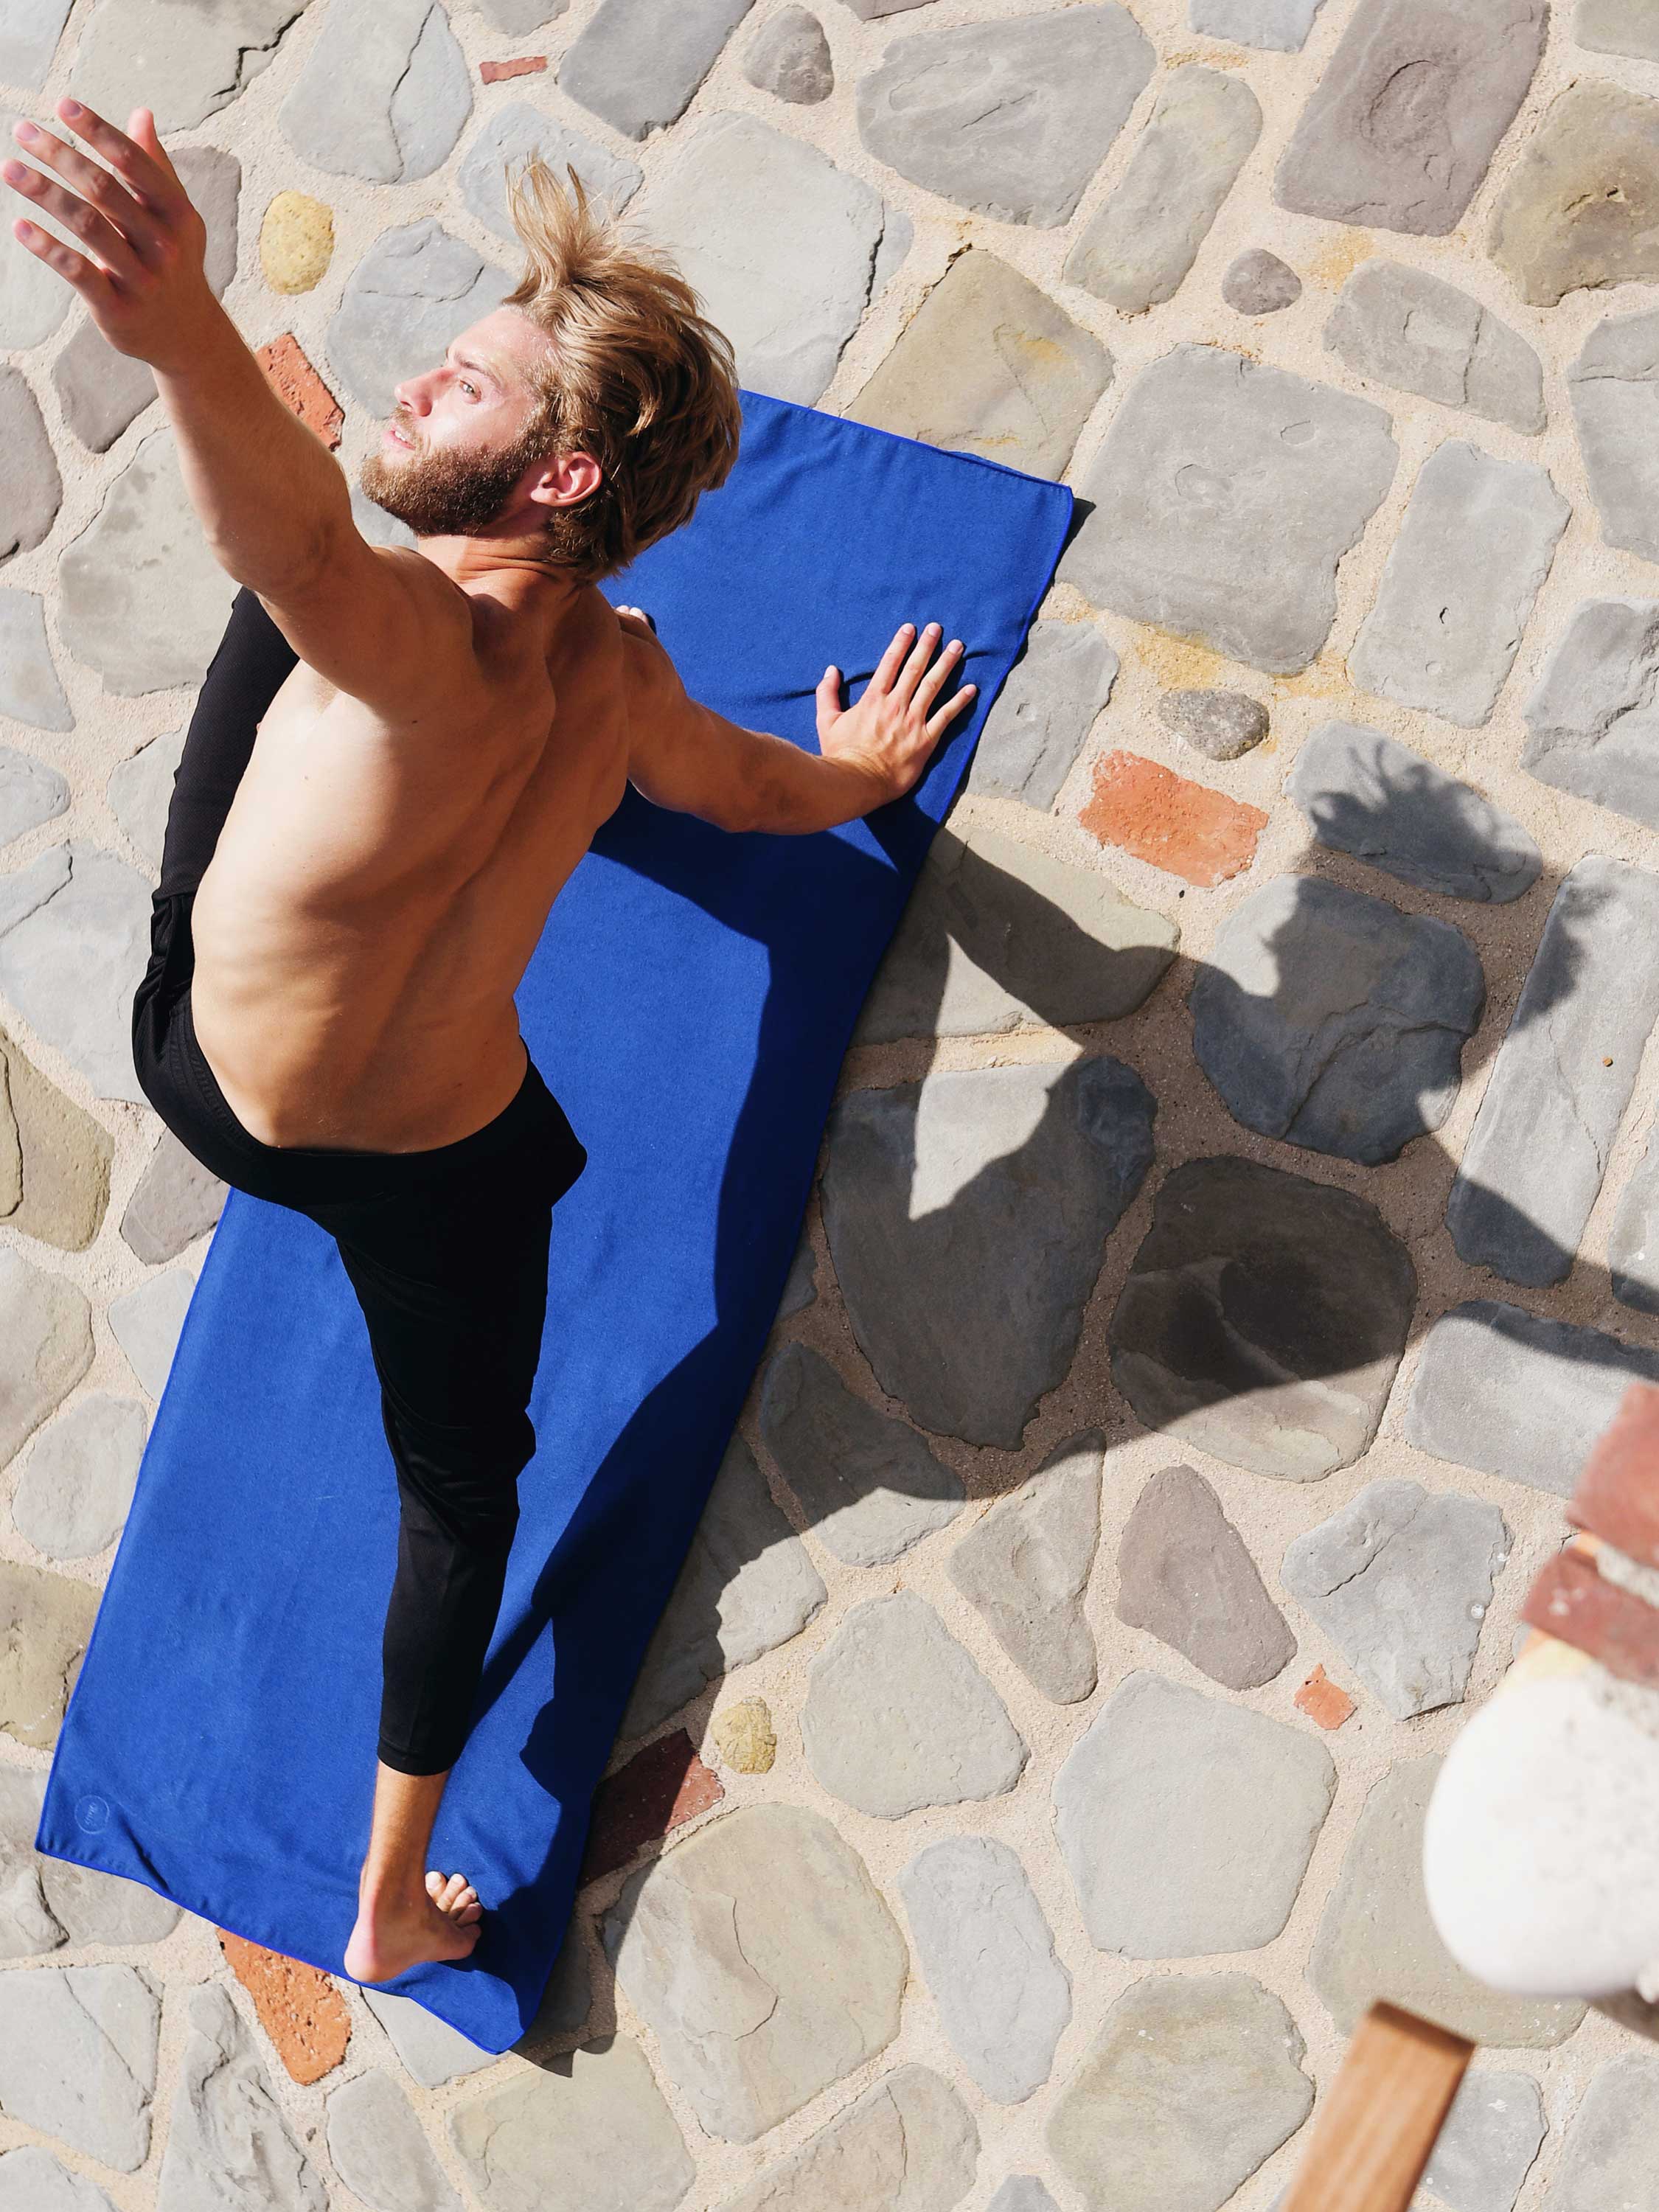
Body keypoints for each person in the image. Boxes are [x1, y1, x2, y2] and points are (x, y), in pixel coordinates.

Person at [3, 97, 977, 1979]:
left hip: (220, 1081)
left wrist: (190, 332)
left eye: (459, 390)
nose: (415, 388)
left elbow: (294, 528)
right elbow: (760, 797)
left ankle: (381, 1894)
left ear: (550, 480)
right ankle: (389, 1907)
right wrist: (860, 771)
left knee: (292, 600)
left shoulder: (388, 640)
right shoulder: (622, 681)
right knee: (468, 1496)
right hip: (446, 1146)